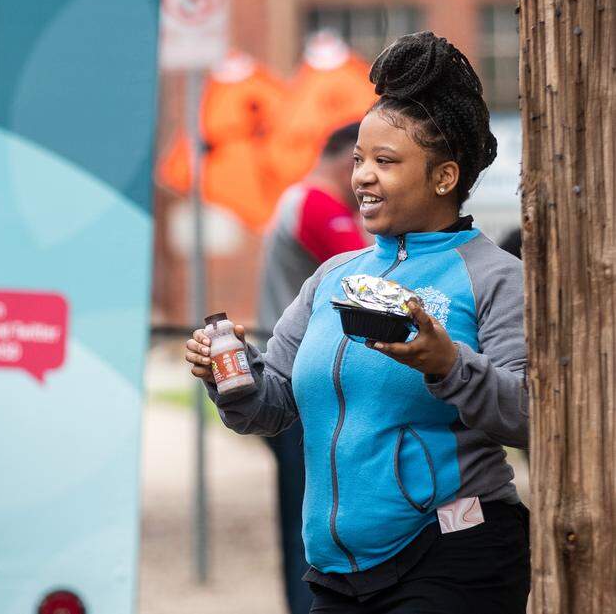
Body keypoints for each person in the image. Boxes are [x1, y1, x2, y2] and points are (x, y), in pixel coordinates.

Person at [186, 32, 529, 613]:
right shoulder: (332, 277)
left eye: (386, 162)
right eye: (359, 161)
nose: (362, 177)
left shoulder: (495, 276)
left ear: (444, 177)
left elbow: (530, 415)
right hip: (338, 573)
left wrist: (449, 366)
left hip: (454, 551)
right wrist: (230, 375)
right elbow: (273, 406)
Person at [256, 121, 367, 614]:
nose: (371, 182)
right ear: (349, 161)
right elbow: (370, 283)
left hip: (290, 381)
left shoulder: (297, 201)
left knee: (306, 514)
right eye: (371, 163)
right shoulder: (318, 205)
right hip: (303, 388)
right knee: (316, 519)